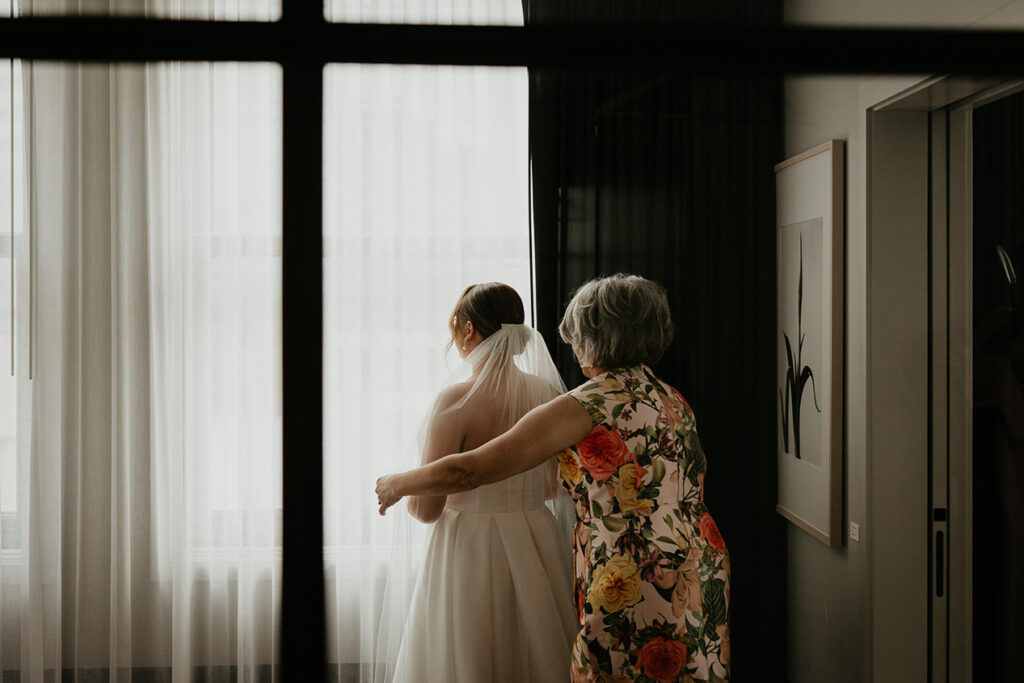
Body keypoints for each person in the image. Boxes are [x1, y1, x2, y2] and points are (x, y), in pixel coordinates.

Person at [377, 273, 731, 683]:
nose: (572, 345)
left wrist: (399, 483)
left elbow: (471, 469)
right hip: (699, 566)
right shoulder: (671, 397)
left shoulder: (584, 404)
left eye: (576, 335)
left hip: (633, 570)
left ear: (598, 338)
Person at [384, 282, 577, 683]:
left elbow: (426, 508)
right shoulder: (547, 395)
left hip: (467, 546)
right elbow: (552, 484)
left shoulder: (456, 400)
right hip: (532, 538)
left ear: (468, 330)